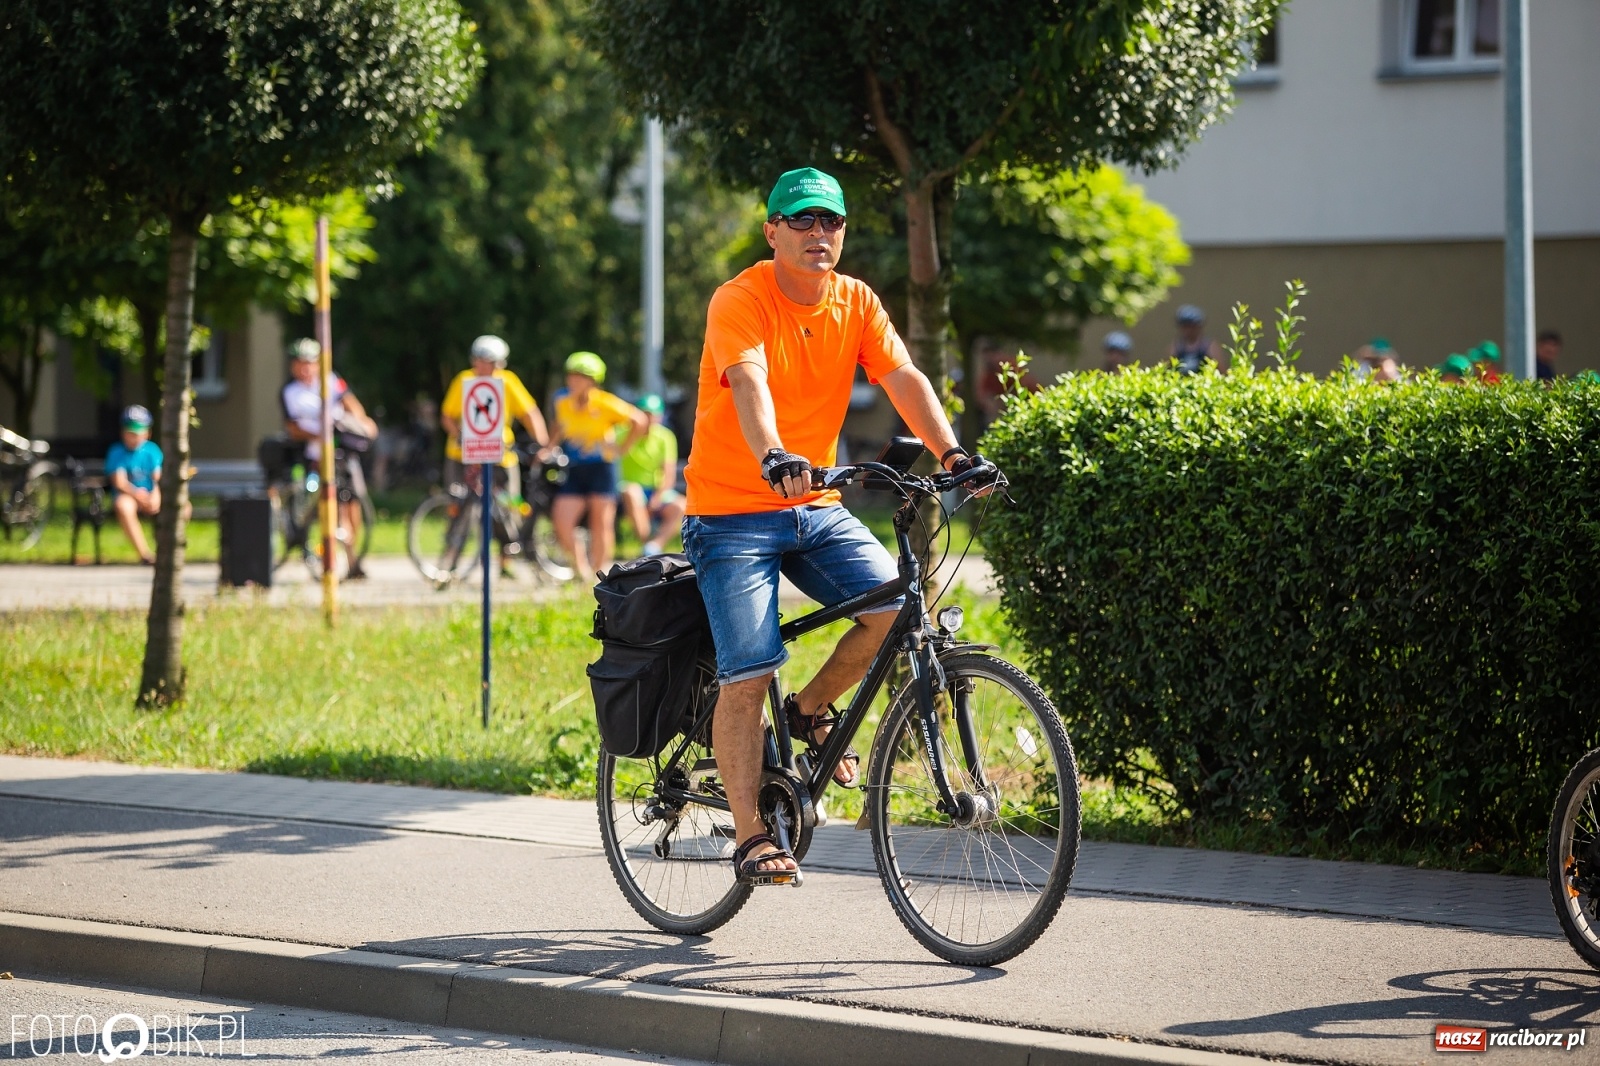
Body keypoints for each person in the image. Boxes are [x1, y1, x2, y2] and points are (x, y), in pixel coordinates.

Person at [681, 166, 1001, 885]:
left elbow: (904, 377)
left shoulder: (855, 301)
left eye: (831, 221)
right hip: (732, 512)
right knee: (749, 668)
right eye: (802, 220)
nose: (819, 233)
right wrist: (773, 454)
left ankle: (806, 711)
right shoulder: (740, 299)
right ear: (773, 232)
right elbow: (750, 383)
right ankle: (751, 834)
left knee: (894, 612)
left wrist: (951, 452)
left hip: (812, 506)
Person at [440, 335, 550, 576]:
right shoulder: (464, 380)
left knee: (508, 506)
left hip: (500, 456)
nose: (484, 366)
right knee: (459, 505)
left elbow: (529, 413)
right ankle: (449, 559)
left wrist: (543, 444)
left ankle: (506, 562)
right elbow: (447, 415)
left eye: (490, 361)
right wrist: (460, 434)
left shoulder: (508, 382)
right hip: (463, 456)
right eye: (479, 360)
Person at [281, 338, 379, 578]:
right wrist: (322, 435)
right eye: (300, 363)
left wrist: (362, 424)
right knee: (324, 504)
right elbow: (293, 428)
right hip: (315, 457)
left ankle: (352, 559)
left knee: (352, 502)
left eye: (310, 363)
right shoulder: (290, 392)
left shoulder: (330, 381)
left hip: (343, 454)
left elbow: (351, 405)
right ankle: (324, 554)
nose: (305, 368)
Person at [547, 351, 647, 580]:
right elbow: (559, 426)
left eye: (578, 376)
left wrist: (621, 449)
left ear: (592, 380)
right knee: (562, 520)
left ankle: (599, 575)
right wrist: (548, 447)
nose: (572, 380)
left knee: (601, 523)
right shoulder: (562, 401)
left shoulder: (604, 402)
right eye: (570, 375)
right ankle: (580, 569)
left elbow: (639, 421)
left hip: (602, 467)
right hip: (574, 468)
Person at [105, 405, 175, 565]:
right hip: (130, 496)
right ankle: (145, 555)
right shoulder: (117, 452)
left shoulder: (152, 451)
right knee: (123, 506)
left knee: (183, 508)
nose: (133, 437)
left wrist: (155, 497)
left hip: (151, 495)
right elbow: (119, 482)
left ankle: (167, 550)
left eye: (137, 433)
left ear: (147, 433)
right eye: (130, 433)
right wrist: (138, 496)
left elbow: (158, 478)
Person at [617, 394, 684, 557]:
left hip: (654, 490)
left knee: (681, 506)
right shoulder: (621, 432)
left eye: (653, 415)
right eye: (645, 414)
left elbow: (668, 474)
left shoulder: (665, 437)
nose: (649, 419)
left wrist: (658, 497)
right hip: (625, 491)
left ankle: (654, 546)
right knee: (632, 492)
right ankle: (645, 543)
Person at [1169, 304, 1224, 375]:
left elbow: (1222, 371)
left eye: (1191, 326)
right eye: (1184, 326)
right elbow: (1167, 369)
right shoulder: (1176, 347)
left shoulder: (1208, 347)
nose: (1188, 331)